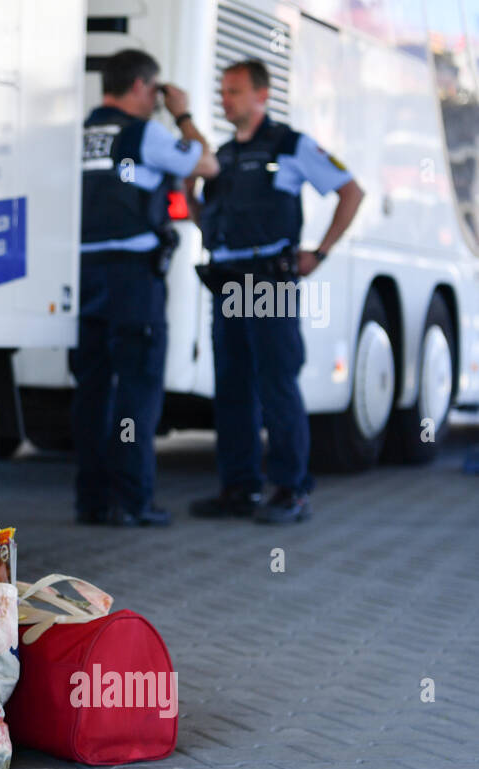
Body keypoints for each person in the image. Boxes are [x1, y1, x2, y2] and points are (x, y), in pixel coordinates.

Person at [190, 58, 364, 523]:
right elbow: (206, 220)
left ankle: (291, 490)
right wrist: (189, 191)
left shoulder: (292, 144)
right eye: (224, 92)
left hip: (267, 281)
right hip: (227, 279)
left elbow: (351, 192)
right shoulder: (223, 155)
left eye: (236, 91)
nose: (227, 99)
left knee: (275, 384)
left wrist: (320, 253)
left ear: (262, 95)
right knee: (231, 387)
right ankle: (239, 488)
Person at [73, 49, 219, 526]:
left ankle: (92, 501)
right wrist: (183, 114)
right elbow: (208, 164)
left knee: (92, 389)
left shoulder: (79, 133)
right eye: (154, 92)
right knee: (137, 388)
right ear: (141, 86)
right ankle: (132, 501)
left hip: (81, 273)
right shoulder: (145, 133)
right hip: (131, 277)